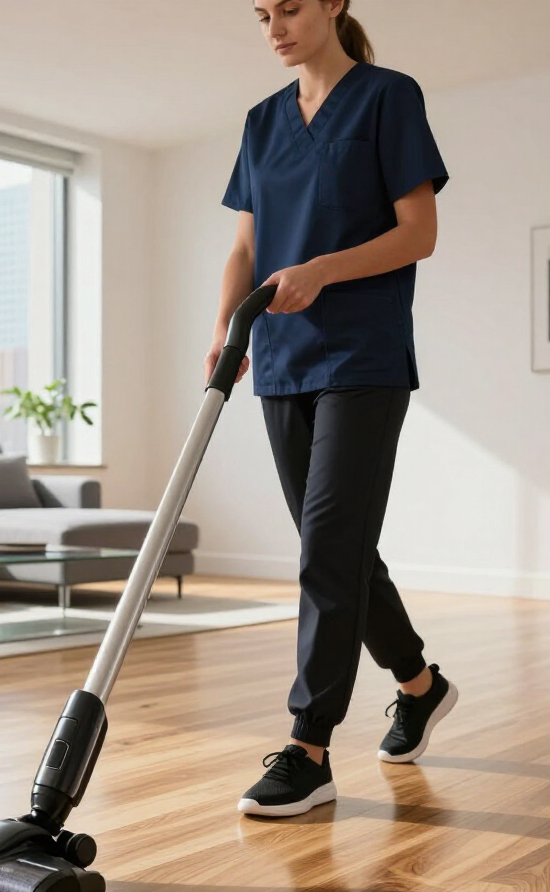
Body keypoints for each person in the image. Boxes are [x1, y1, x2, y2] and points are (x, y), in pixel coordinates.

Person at [205, 0, 458, 817]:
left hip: (363, 356)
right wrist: (225, 330)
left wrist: (322, 270)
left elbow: (417, 233)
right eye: (261, 14)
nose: (274, 26)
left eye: (291, 8)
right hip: (279, 360)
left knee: (328, 546)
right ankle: (419, 686)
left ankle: (308, 746)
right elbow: (245, 246)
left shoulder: (389, 96)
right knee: (337, 545)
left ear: (336, 3)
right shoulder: (262, 120)